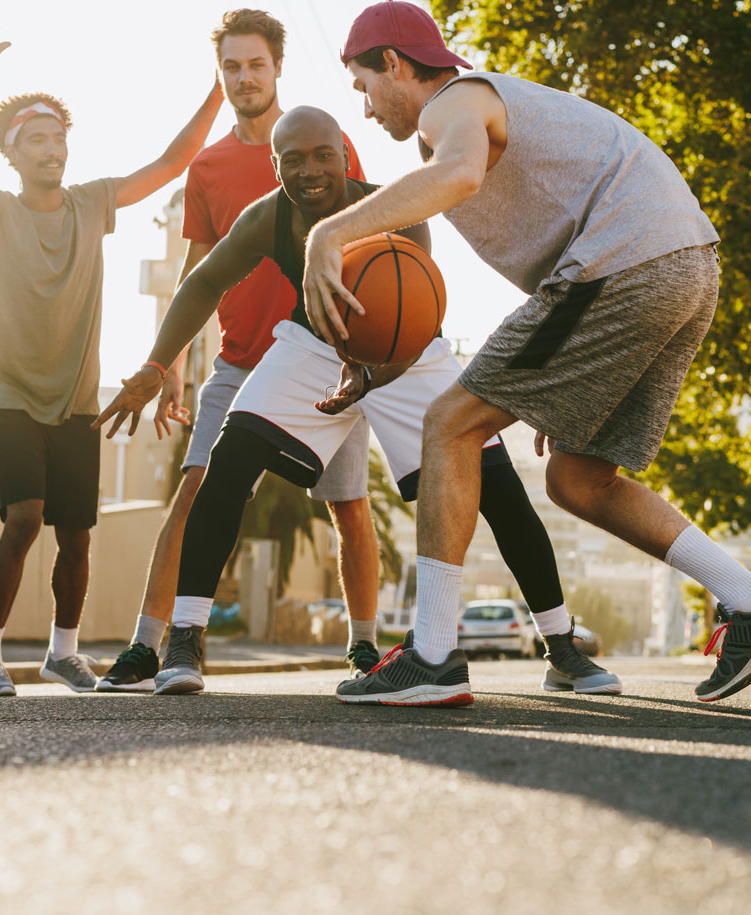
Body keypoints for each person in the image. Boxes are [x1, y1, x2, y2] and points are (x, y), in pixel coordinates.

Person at [301, 1, 751, 706]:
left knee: (447, 424)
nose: (364, 109)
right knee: (578, 479)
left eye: (363, 85)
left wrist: (327, 234)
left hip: (620, 265)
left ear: (393, 62)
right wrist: (557, 382)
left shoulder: (454, 103)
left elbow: (458, 176)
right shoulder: (478, 112)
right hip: (684, 268)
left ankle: (433, 654)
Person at [94, 105, 623, 703]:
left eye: (323, 155)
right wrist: (154, 365)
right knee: (228, 461)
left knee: (497, 484)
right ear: (275, 168)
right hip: (313, 344)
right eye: (292, 159)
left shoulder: (397, 209)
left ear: (346, 157)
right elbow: (202, 283)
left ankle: (561, 647)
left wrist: (373, 374)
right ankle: (185, 639)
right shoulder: (267, 219)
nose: (310, 169)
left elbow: (416, 314)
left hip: (406, 352)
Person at [96, 9, 376, 694]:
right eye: (231, 67)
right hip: (240, 360)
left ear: (278, 66)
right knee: (193, 492)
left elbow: (366, 241)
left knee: (349, 506)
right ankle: (151, 644)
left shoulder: (323, 145)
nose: (244, 77)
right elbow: (199, 271)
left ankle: (366, 647)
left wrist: (364, 352)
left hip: (325, 360)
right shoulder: (210, 167)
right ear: (219, 76)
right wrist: (172, 368)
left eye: (255, 63)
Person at [0, 14, 224, 697]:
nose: (50, 147)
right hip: (6, 393)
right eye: (35, 138)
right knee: (26, 516)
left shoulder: (92, 203)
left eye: (58, 136)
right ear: (10, 151)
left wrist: (219, 89)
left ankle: (63, 653)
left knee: (76, 535)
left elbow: (171, 162)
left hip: (78, 399)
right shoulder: (0, 211)